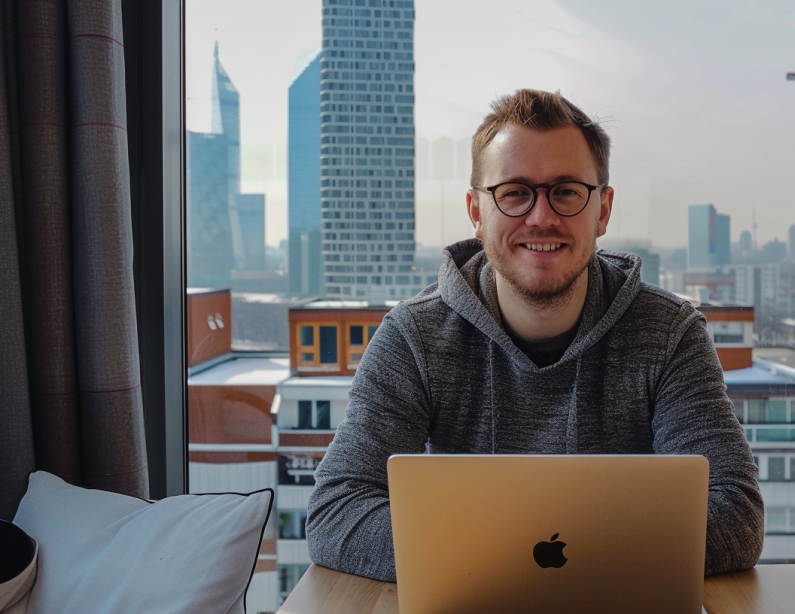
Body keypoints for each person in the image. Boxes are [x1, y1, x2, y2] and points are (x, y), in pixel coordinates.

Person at [306, 89, 764, 582]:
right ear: (477, 212)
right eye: (514, 192)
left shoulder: (669, 333)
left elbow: (735, 514)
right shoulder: (416, 336)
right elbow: (338, 511)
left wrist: (482, 556)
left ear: (603, 210)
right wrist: (540, 563)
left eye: (566, 191)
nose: (541, 217)